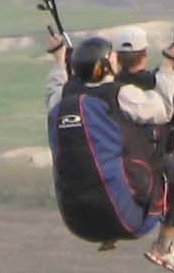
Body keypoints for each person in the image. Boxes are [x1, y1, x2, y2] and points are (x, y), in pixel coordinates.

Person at [44, 29, 165, 250]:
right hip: (130, 221)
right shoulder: (121, 94)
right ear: (106, 66)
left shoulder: (62, 99)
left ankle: (108, 232)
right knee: (172, 163)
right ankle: (166, 244)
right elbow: (162, 109)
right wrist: (169, 69)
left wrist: (59, 60)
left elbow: (54, 89)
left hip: (78, 223)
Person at [109, 25, 174, 273]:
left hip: (115, 162)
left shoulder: (107, 89)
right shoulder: (159, 90)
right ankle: (164, 245)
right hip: (148, 161)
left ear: (115, 57)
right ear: (144, 55)